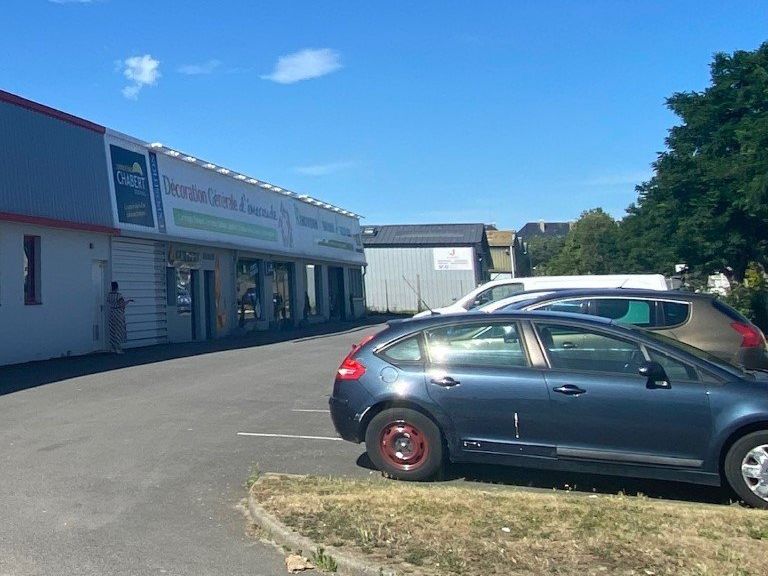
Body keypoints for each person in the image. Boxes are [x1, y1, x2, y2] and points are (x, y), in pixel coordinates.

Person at [107, 282, 133, 354]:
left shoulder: (109, 295)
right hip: (118, 313)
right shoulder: (119, 295)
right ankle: (118, 348)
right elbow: (122, 304)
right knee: (118, 331)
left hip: (112, 312)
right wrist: (128, 301)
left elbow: (108, 302)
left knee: (112, 330)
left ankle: (112, 347)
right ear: (117, 287)